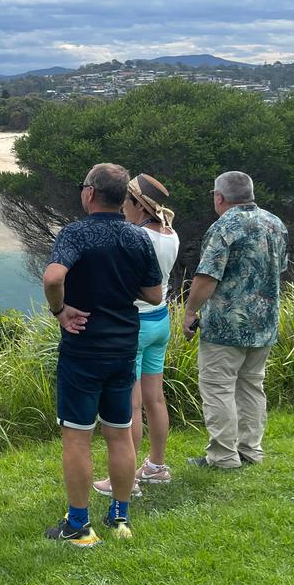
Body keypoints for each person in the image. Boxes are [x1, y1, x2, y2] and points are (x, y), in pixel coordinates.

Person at [42, 164, 163, 547]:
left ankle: (79, 525)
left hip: (83, 348)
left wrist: (60, 311)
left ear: (90, 193)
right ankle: (120, 517)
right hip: (124, 346)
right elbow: (155, 294)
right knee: (119, 434)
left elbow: (52, 278)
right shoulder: (137, 237)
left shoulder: (76, 233)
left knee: (77, 437)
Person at [181, 171, 288, 469]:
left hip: (225, 326)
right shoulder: (275, 224)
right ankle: (251, 451)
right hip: (264, 323)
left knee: (218, 387)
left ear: (219, 197)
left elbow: (206, 278)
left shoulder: (224, 226)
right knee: (252, 386)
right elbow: (278, 271)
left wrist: (190, 312)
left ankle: (223, 456)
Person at [93, 173, 180, 497]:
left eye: (126, 203)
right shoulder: (170, 234)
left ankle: (127, 480)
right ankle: (156, 466)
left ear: (136, 204)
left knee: (129, 406)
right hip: (160, 321)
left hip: (134, 326)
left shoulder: (132, 238)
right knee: (154, 398)